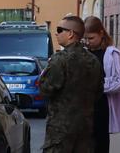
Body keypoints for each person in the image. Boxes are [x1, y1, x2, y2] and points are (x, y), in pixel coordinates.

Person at [39, 15, 103, 153]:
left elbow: (44, 89)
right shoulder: (93, 61)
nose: (56, 33)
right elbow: (99, 92)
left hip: (60, 132)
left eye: (60, 29)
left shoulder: (60, 60)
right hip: (85, 131)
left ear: (70, 34)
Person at [84, 16, 120, 153]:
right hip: (84, 107)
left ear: (101, 33)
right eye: (85, 38)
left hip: (102, 107)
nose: (88, 42)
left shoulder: (112, 53)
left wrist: (97, 87)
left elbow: (119, 82)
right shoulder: (84, 53)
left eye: (91, 38)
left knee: (100, 144)